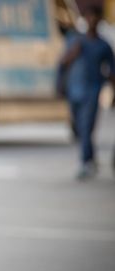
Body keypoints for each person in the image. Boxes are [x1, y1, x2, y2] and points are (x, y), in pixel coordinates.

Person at [60, 5, 115, 180]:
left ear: (99, 20)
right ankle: (90, 158)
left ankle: (86, 162)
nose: (91, 21)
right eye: (89, 17)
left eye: (95, 17)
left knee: (86, 127)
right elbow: (62, 62)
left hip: (92, 91)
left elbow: (111, 72)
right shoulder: (76, 40)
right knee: (79, 128)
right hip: (74, 90)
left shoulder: (103, 45)